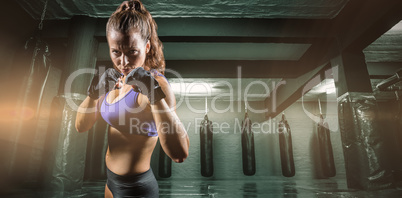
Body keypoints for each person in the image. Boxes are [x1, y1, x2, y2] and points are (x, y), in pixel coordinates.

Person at [75, 0, 189, 197]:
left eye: (132, 52)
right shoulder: (113, 81)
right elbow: (81, 126)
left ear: (146, 47)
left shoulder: (157, 84)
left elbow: (179, 154)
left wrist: (154, 95)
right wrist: (93, 95)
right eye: (116, 52)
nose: (123, 62)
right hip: (110, 182)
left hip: (137, 189)